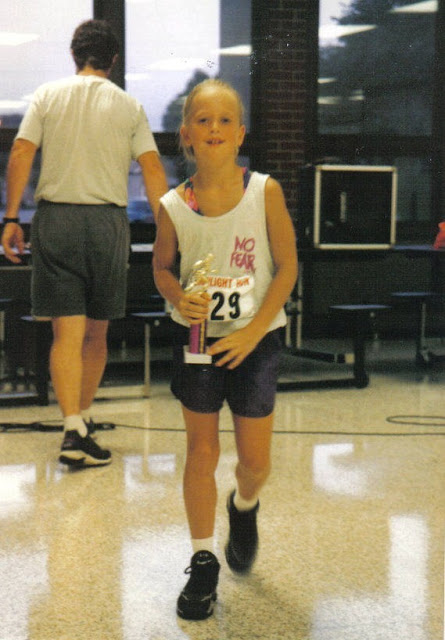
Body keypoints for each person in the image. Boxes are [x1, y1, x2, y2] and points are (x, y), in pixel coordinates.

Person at [152, 78, 298, 620]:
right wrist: (178, 296)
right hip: (197, 343)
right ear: (186, 134)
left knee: (254, 463)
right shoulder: (174, 204)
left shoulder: (264, 191)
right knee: (202, 451)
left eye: (225, 120)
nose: (214, 128)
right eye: (203, 120)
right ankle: (202, 559)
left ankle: (244, 505)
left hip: (255, 340)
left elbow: (287, 267)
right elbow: (162, 268)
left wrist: (253, 331)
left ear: (240, 133)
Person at [1, 19, 168, 467]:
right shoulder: (129, 105)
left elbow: (21, 151)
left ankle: (73, 424)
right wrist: (167, 229)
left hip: (56, 220)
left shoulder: (47, 96)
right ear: (113, 60)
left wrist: (12, 218)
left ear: (74, 56)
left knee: (65, 332)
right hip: (107, 224)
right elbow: (153, 168)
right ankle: (82, 422)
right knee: (97, 332)